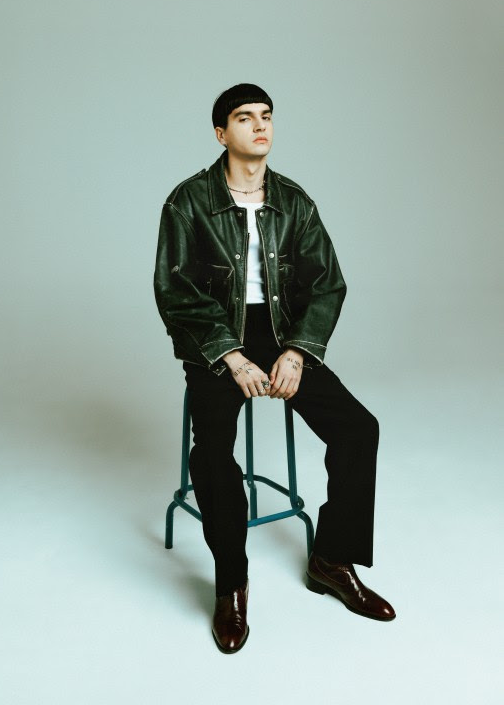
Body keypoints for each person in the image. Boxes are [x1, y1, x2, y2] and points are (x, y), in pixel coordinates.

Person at [153, 83, 396, 654]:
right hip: (216, 339)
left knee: (359, 429)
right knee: (213, 453)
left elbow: (327, 283)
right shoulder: (187, 202)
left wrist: (298, 350)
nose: (260, 125)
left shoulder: (294, 201)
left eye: (266, 116)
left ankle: (331, 561)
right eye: (245, 118)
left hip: (282, 333)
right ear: (221, 133)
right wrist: (230, 354)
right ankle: (231, 584)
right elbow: (175, 290)